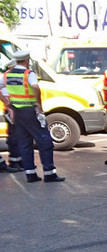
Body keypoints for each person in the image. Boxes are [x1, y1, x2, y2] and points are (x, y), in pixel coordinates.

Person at [0, 50, 64, 182]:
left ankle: (30, 174)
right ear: (27, 60)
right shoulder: (28, 74)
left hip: (17, 112)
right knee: (44, 140)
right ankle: (49, 173)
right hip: (30, 111)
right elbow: (35, 87)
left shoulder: (6, 74)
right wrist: (39, 105)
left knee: (24, 143)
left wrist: (7, 103)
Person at [1, 59, 22, 172]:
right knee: (14, 137)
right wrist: (9, 107)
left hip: (17, 110)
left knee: (18, 136)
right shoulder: (6, 77)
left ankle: (17, 161)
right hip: (11, 110)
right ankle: (14, 162)